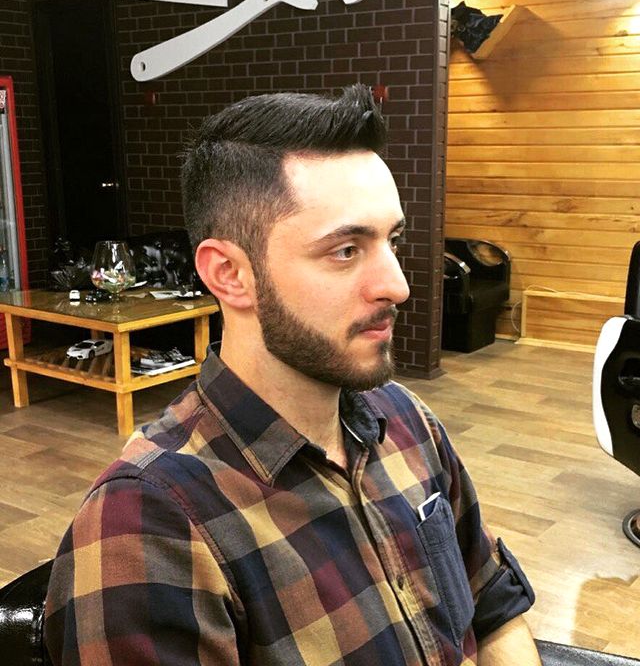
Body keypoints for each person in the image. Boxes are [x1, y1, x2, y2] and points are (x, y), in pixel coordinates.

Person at [44, 85, 541, 666]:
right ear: (230, 274)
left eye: (392, 240)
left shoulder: (408, 420)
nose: (398, 286)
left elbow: (494, 610)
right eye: (345, 250)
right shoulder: (149, 526)